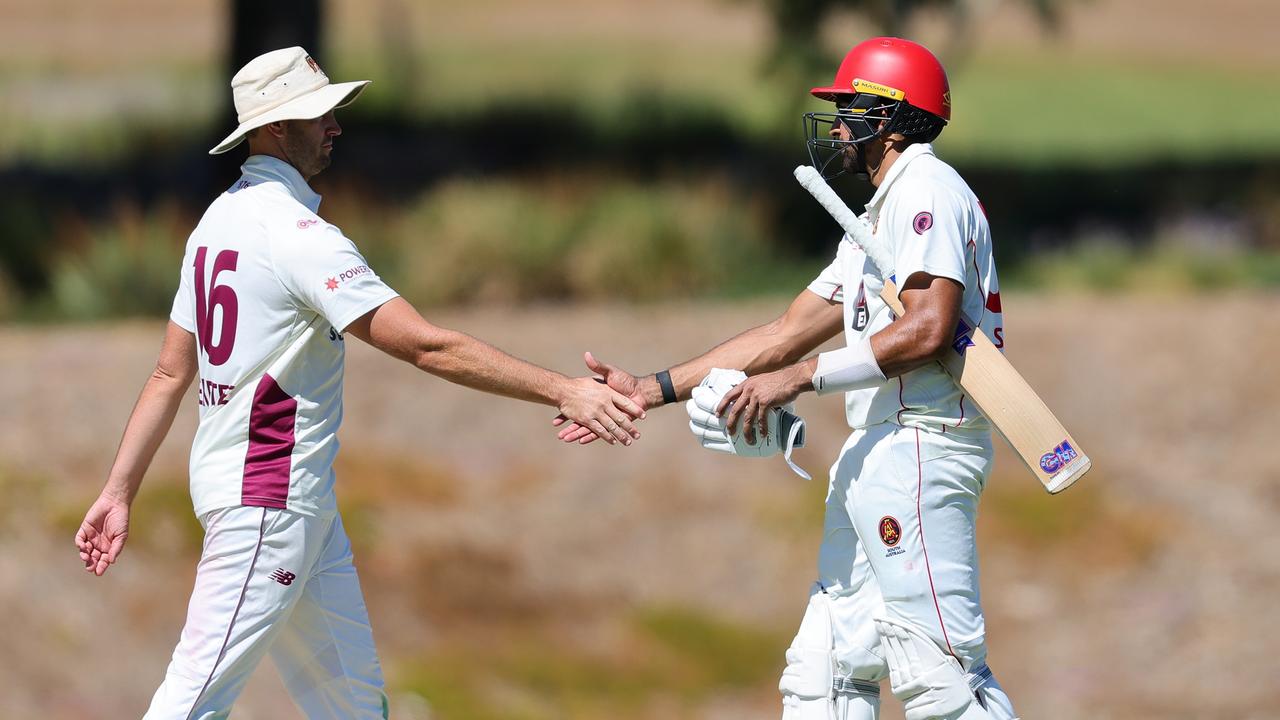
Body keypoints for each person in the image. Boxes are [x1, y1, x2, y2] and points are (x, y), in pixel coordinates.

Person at [74, 46, 644, 720]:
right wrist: (564, 390)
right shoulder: (299, 236)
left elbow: (172, 370)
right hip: (266, 501)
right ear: (277, 128)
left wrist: (118, 490)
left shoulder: (213, 224)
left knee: (354, 708)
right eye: (321, 115)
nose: (336, 127)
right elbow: (427, 347)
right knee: (189, 704)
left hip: (295, 506)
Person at [556, 37, 1018, 720]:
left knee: (939, 677)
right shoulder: (877, 215)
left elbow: (928, 328)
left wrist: (803, 379)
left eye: (849, 109)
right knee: (825, 672)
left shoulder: (926, 190)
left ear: (888, 118)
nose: (837, 127)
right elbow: (783, 333)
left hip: (924, 445)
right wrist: (650, 389)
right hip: (877, 449)